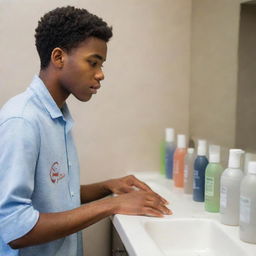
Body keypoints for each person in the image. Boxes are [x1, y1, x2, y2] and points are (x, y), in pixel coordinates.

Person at [0, 6, 172, 256]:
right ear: (59, 58)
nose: (101, 74)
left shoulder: (57, 116)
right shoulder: (22, 121)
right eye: (93, 63)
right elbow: (14, 228)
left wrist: (107, 187)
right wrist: (112, 205)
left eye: (101, 64)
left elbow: (55, 196)